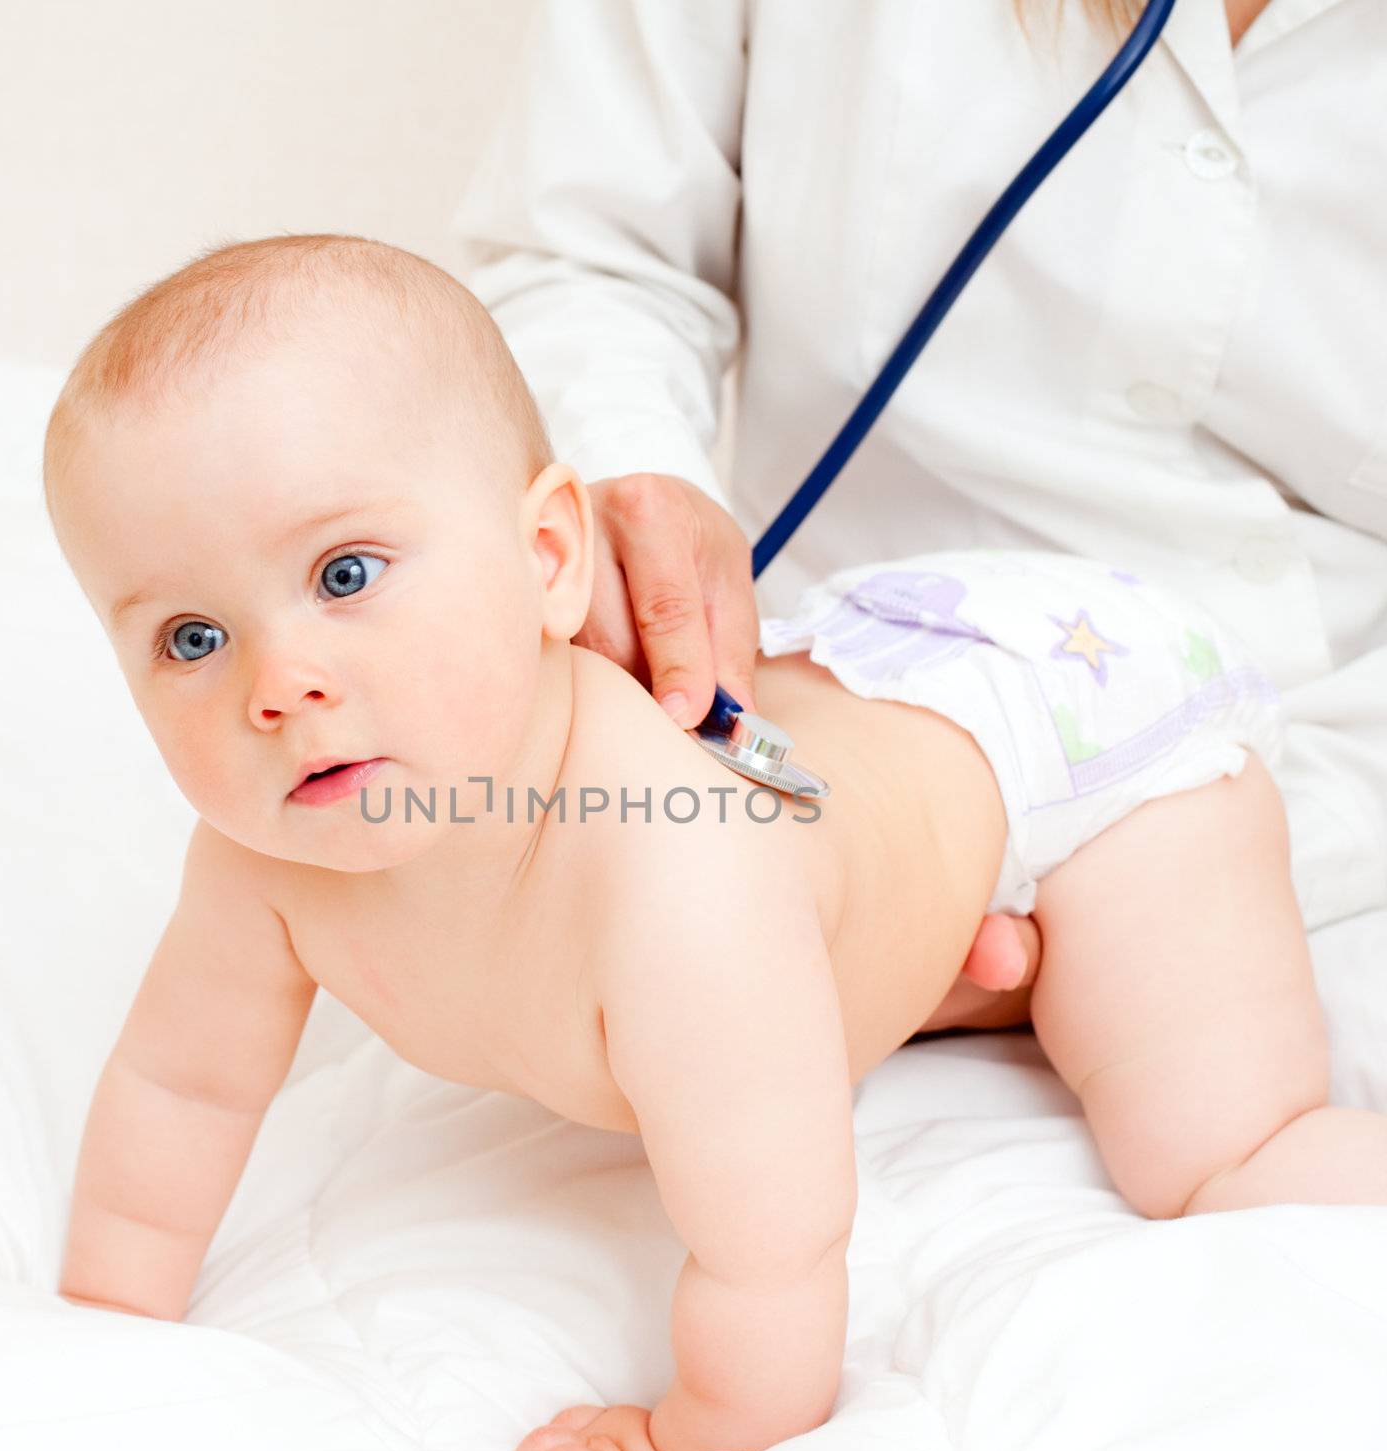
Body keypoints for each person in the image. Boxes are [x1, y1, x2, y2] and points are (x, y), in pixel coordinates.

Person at [42, 235, 1387, 1451]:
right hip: (858, 741)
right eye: (190, 640)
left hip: (1067, 730)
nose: (279, 684)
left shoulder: (669, 869)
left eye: (345, 573)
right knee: (848, 916)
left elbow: (778, 1238)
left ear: (549, 560)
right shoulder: (262, 855)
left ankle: (1095, 1002)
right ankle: (943, 948)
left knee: (1202, 1152)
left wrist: (696, 1434)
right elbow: (184, 1082)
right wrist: (103, 1319)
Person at [449, 0, 1387, 982]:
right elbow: (590, 257)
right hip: (842, 773)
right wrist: (633, 506)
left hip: (1340, 811)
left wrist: (1170, 889)